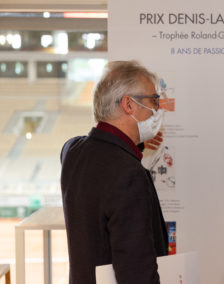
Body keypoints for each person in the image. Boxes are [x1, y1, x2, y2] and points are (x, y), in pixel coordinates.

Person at [60, 60, 169, 283]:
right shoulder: (128, 173)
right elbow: (136, 270)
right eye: (153, 100)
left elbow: (93, 148)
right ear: (128, 104)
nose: (158, 108)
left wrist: (135, 145)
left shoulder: (72, 152)